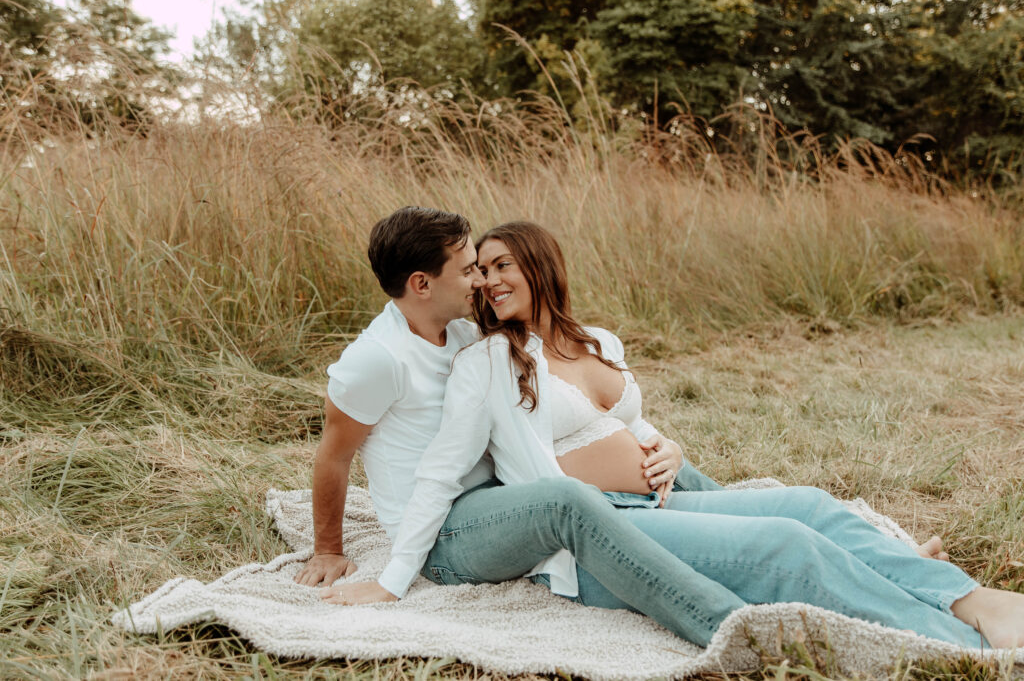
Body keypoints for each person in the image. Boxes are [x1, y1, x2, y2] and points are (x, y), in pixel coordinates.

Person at [328, 220, 1024, 650]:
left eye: (500, 263)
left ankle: (973, 599)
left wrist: (670, 447)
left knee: (809, 506)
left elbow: (627, 424)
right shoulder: (484, 360)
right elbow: (442, 469)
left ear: (542, 265)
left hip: (655, 495)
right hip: (608, 529)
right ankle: (954, 643)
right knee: (787, 544)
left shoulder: (597, 340)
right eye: (478, 268)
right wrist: (391, 578)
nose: (486, 278)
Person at [296, 206, 761, 646]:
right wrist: (330, 551)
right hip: (444, 532)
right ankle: (727, 627)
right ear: (421, 284)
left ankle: (759, 523)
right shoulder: (376, 360)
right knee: (564, 500)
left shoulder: (463, 333)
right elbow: (334, 455)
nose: (481, 280)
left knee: (661, 462)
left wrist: (658, 444)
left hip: (502, 499)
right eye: (469, 270)